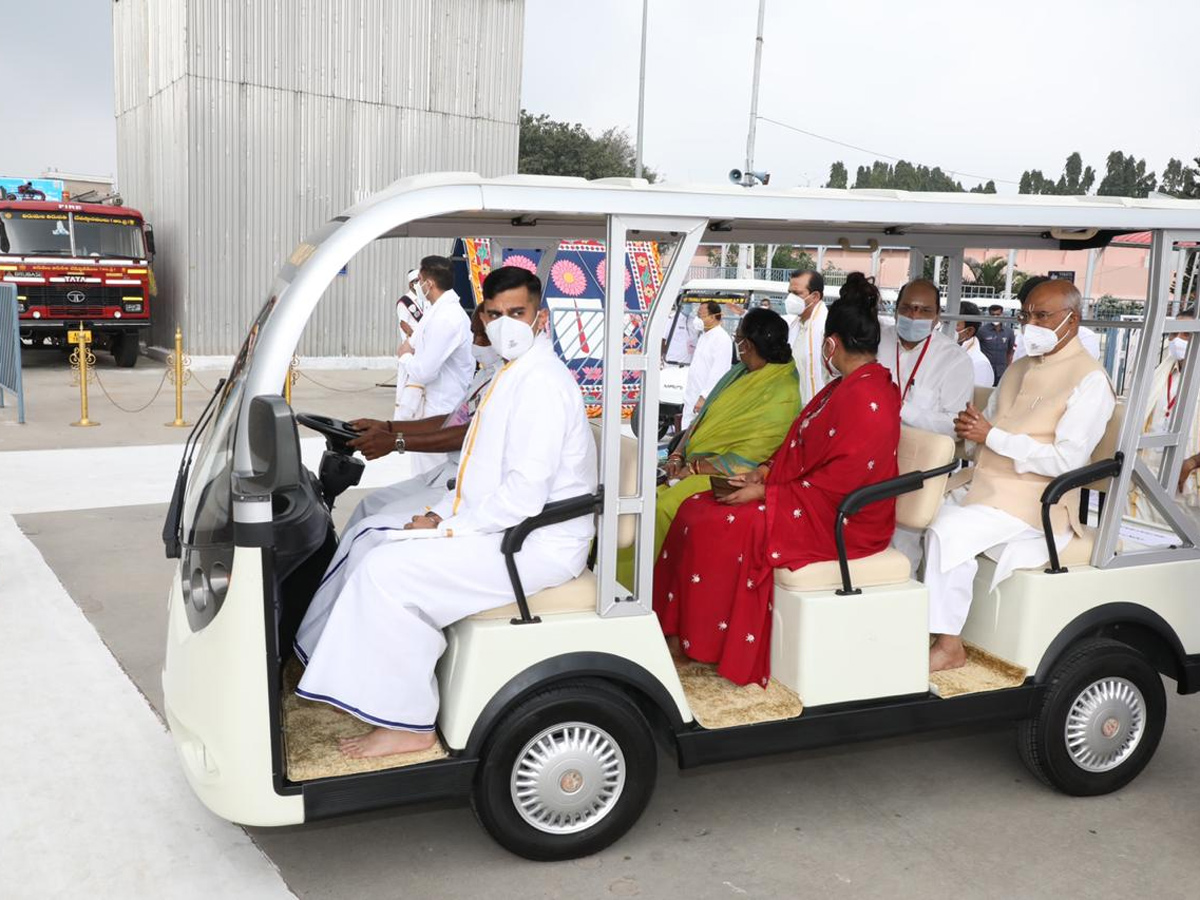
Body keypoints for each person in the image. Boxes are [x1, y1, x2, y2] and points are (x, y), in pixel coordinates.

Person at [295, 266, 597, 758]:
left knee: (388, 572)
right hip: (506, 526)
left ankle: (409, 724)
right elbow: (483, 470)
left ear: (539, 317)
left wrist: (448, 526)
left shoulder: (540, 384)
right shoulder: (511, 373)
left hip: (537, 543)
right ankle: (356, 684)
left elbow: (523, 494)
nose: (505, 325)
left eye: (517, 313)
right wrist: (441, 517)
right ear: (483, 315)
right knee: (383, 546)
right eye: (495, 315)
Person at [654, 274, 901, 686]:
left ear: (831, 343)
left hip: (843, 518)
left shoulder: (868, 396)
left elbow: (840, 484)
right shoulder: (845, 387)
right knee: (696, 506)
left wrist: (765, 492)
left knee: (714, 524)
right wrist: (764, 472)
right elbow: (801, 446)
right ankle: (677, 630)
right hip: (807, 497)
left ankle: (701, 642)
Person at [925, 279, 1115, 672]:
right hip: (986, 485)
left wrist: (991, 435)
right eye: (1027, 315)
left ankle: (949, 645)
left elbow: (1066, 461)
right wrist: (974, 432)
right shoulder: (1018, 367)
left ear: (1072, 320)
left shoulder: (1091, 380)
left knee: (948, 530)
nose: (1031, 324)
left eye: (1042, 316)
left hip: (1037, 500)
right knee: (917, 512)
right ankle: (928, 624)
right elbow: (989, 433)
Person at [640, 308, 800, 571]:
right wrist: (676, 456)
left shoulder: (783, 391)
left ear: (747, 344)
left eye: (738, 339)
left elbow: (748, 458)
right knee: (642, 497)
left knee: (663, 508)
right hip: (691, 464)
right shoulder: (739, 372)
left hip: (727, 476)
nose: (738, 346)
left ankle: (648, 590)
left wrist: (691, 469)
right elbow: (701, 420)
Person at [339, 307, 501, 533]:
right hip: (448, 470)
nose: (476, 341)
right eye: (475, 334)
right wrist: (387, 427)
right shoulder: (485, 375)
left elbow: (467, 433)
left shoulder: (505, 380)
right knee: (369, 506)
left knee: (375, 526)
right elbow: (452, 421)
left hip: (466, 482)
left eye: (482, 336)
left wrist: (396, 442)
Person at [394, 255, 475, 474]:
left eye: (420, 280)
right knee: (424, 476)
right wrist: (409, 348)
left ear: (428, 283)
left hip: (440, 411)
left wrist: (405, 356)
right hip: (429, 409)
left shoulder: (447, 317)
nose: (418, 286)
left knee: (433, 481)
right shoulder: (436, 311)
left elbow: (424, 370)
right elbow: (415, 341)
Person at [878, 279, 974, 438]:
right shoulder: (877, 341)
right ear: (895, 311)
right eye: (906, 308)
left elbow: (956, 426)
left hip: (921, 454)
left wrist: (902, 408)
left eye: (925, 310)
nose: (914, 316)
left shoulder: (955, 359)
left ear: (937, 317)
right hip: (872, 443)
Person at [1135, 307, 1200, 519]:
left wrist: (1192, 463)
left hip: (1188, 482)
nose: (1176, 340)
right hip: (1149, 476)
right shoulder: (1160, 374)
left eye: (1186, 334)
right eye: (1174, 333)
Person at [1013, 277, 1102, 361]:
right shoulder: (1024, 337)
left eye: (1041, 315)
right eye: (1025, 315)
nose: (1030, 323)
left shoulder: (1085, 338)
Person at [681, 301, 734, 428]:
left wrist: (704, 397)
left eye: (701, 315)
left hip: (704, 400)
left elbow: (719, 372)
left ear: (713, 316)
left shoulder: (722, 339)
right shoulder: (704, 336)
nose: (698, 319)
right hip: (692, 396)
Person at [785, 269, 829, 406]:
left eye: (796, 293)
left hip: (819, 407)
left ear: (815, 296)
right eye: (789, 293)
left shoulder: (826, 328)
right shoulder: (794, 326)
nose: (790, 298)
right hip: (795, 407)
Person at [955, 301, 997, 388]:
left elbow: (976, 399)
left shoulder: (980, 364)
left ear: (969, 331)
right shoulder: (948, 353)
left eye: (955, 324)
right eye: (945, 323)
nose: (945, 328)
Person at [978, 303, 1016, 385]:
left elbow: (1010, 351)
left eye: (998, 314)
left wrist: (1008, 368)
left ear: (1002, 315)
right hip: (986, 369)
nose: (995, 317)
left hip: (1002, 371)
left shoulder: (1009, 332)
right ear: (989, 315)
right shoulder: (982, 331)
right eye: (993, 315)